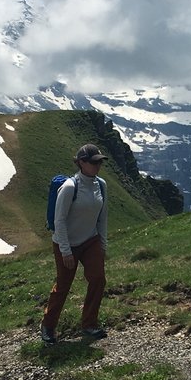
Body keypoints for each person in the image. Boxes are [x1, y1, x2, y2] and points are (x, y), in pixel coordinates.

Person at [40, 144, 109, 344]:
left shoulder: (101, 185)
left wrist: (102, 245)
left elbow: (102, 217)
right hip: (66, 243)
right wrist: (65, 250)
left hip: (90, 240)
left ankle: (89, 324)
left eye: (100, 162)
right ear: (81, 163)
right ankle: (48, 326)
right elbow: (59, 220)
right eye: (94, 162)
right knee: (63, 284)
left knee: (98, 279)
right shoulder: (70, 187)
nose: (98, 165)